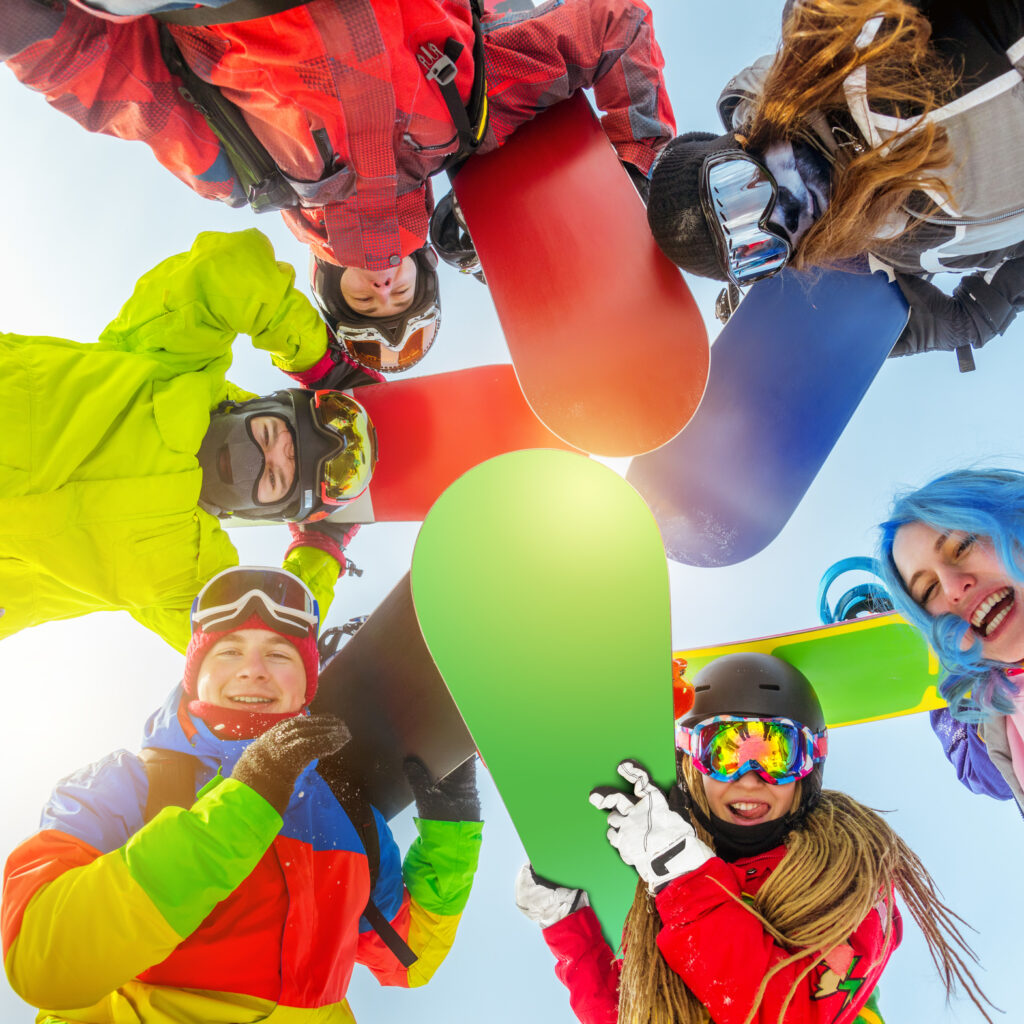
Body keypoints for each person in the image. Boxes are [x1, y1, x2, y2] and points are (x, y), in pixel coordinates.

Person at [2, 0, 676, 374]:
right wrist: (643, 170)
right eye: (401, 294)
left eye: (364, 300)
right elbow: (614, 26)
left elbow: (115, 81)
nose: (383, 288)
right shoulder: (470, 118)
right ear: (422, 265)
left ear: (330, 282)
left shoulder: (247, 173)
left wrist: (23, 23)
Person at [1, 565, 483, 1022]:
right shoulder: (119, 787)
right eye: (229, 651)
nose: (254, 669)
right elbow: (42, 961)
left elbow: (406, 959)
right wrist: (246, 801)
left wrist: (450, 830)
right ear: (196, 677)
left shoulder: (348, 817)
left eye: (278, 654)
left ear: (307, 686)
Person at [514, 653, 990, 1024]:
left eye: (776, 753)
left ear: (808, 768)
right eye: (724, 751)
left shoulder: (849, 882)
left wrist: (679, 869)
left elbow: (789, 1013)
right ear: (692, 766)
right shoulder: (667, 892)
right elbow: (638, 1009)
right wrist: (569, 927)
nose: (750, 777)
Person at [0, 228, 376, 653]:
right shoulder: (173, 363)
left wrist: (319, 550)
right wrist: (317, 359)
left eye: (272, 477)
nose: (257, 458)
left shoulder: (191, 572)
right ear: (252, 408)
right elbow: (227, 271)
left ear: (261, 511)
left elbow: (258, 652)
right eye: (269, 435)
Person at [645, 0, 1024, 367]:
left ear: (742, 137)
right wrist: (980, 312)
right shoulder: (905, 246)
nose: (783, 218)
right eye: (758, 249)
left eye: (736, 191)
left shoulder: (839, 35)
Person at [878, 467, 1024, 815]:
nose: (953, 588)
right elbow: (980, 772)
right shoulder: (1004, 718)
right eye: (928, 590)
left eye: (963, 546)